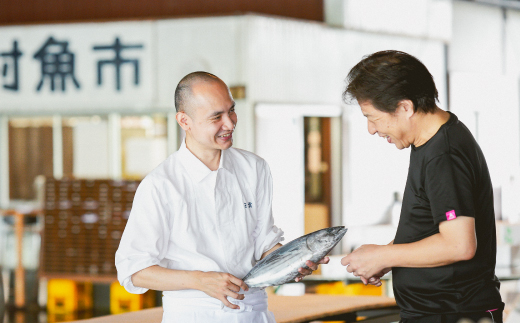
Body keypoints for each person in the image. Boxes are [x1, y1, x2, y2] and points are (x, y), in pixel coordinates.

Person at [115, 72, 327, 323]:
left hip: (254, 312)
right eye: (216, 117)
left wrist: (292, 262)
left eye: (231, 111)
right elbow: (134, 270)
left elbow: (263, 243)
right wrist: (200, 280)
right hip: (194, 315)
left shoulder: (253, 167)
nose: (230, 123)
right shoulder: (161, 185)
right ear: (184, 121)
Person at [340, 51, 504, 323]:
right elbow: (429, 229)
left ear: (405, 107)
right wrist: (386, 259)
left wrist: (384, 254)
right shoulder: (430, 142)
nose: (371, 129)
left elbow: (459, 245)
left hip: (453, 313)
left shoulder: (444, 155)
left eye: (373, 117)